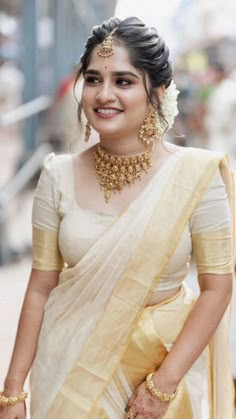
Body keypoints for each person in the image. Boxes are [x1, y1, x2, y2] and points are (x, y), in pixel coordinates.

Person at [0, 16, 235, 419]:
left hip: (159, 376)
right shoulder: (57, 175)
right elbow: (40, 287)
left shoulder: (196, 176)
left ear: (157, 93)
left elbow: (217, 288)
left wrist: (163, 386)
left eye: (123, 81)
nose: (103, 94)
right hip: (69, 372)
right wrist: (13, 390)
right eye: (93, 79)